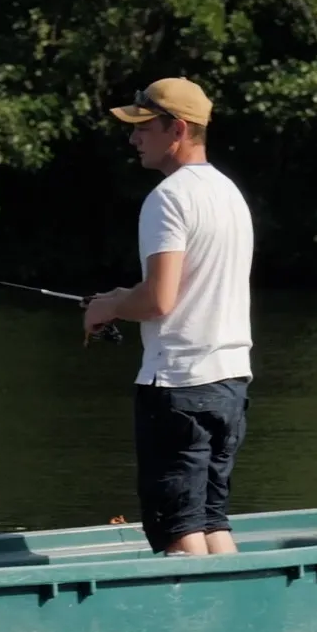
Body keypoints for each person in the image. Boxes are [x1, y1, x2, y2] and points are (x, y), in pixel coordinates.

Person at [83, 77, 254, 556]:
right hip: (231, 382)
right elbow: (189, 285)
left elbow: (160, 301)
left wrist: (110, 306)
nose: (133, 138)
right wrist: (123, 295)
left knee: (179, 532)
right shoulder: (229, 193)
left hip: (179, 386)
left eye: (143, 128)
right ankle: (237, 623)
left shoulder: (168, 198)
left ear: (176, 129)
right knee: (212, 522)